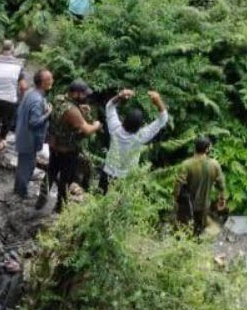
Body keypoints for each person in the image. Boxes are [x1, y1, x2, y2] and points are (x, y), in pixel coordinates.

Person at [37, 80, 102, 213]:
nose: (85, 97)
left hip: (54, 145)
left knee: (51, 171)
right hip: (67, 150)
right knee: (65, 179)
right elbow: (87, 130)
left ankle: (41, 198)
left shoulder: (59, 99)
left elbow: (63, 116)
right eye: (83, 94)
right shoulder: (72, 111)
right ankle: (60, 206)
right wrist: (96, 125)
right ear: (76, 93)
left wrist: (80, 110)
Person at [99, 89, 170, 193]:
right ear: (140, 126)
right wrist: (158, 100)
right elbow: (163, 119)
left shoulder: (115, 129)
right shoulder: (140, 136)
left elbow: (109, 106)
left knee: (100, 202)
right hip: (127, 178)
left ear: (124, 120)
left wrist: (120, 95)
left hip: (108, 173)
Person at [0, 40, 27, 168]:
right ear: (13, 50)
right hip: (10, 100)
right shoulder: (19, 64)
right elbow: (23, 86)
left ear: (1, 49)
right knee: (7, 123)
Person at [174, 136, 227, 236]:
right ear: (207, 149)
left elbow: (178, 183)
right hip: (204, 204)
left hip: (187, 205)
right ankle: (197, 243)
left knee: (184, 227)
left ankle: (184, 245)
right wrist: (222, 198)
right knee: (200, 227)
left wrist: (176, 198)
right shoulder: (215, 164)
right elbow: (221, 184)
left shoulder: (186, 164)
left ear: (195, 148)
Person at [14, 68, 53, 199]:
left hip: (22, 134)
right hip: (29, 139)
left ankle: (17, 189)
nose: (52, 81)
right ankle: (21, 193)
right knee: (27, 166)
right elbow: (34, 122)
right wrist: (48, 114)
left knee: (23, 164)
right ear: (42, 83)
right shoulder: (37, 99)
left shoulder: (30, 92)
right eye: (49, 79)